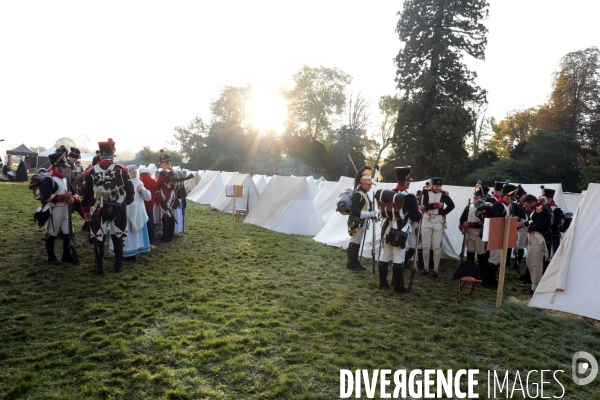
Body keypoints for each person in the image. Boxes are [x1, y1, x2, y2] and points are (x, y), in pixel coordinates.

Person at [81, 138, 134, 275]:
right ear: (113, 154)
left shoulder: (91, 171)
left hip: (97, 208)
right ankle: (118, 265)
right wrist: (123, 204)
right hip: (118, 207)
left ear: (101, 154)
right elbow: (130, 192)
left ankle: (99, 268)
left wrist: (86, 210)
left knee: (99, 237)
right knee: (118, 236)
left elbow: (84, 194)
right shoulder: (122, 170)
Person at [377, 166, 422, 292]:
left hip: (386, 229)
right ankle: (398, 287)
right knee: (398, 258)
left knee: (384, 256)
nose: (409, 183)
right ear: (406, 181)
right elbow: (415, 217)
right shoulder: (410, 197)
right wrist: (421, 210)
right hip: (400, 231)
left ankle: (383, 283)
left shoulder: (388, 194)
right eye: (409, 181)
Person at [39, 151, 79, 265]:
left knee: (69, 232)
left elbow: (75, 194)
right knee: (52, 234)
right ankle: (51, 257)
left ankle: (66, 255)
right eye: (63, 167)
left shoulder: (65, 180)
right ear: (56, 169)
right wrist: (62, 197)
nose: (66, 170)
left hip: (65, 210)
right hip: (54, 209)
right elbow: (45, 197)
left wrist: (73, 199)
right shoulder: (49, 180)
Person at [109, 165, 151, 260]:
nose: (135, 174)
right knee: (124, 234)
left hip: (136, 213)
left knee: (133, 236)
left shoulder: (139, 183)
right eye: (133, 173)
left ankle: (133, 253)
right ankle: (122, 254)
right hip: (124, 212)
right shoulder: (120, 183)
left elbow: (148, 197)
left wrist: (142, 190)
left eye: (136, 172)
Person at [484, 183, 519, 289]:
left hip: (500, 235)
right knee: (494, 259)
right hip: (495, 235)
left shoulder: (504, 206)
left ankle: (491, 280)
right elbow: (498, 223)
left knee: (496, 259)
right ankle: (488, 281)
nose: (512, 200)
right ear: (506, 196)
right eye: (511, 198)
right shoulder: (499, 206)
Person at [419, 177, 455, 278]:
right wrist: (434, 205)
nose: (438, 188)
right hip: (427, 218)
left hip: (438, 220)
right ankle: (425, 268)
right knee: (426, 245)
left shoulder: (444, 194)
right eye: (436, 186)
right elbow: (422, 206)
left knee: (436, 246)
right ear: (432, 185)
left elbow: (452, 205)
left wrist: (442, 212)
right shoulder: (425, 192)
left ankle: (435, 270)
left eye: (439, 186)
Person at [519, 194, 552, 294]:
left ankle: (537, 288)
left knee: (536, 264)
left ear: (532, 203)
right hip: (534, 237)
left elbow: (540, 226)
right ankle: (534, 286)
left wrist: (529, 226)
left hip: (539, 238)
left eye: (527, 206)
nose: (526, 208)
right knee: (530, 262)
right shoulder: (537, 209)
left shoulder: (541, 209)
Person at [346, 166, 377, 271]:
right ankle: (351, 263)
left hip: (361, 222)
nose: (370, 187)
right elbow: (355, 211)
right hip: (356, 222)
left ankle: (355, 262)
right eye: (369, 185)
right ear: (363, 183)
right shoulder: (357, 194)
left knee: (357, 242)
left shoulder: (364, 194)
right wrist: (370, 214)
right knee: (354, 241)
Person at [459, 182, 489, 277]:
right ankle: (470, 271)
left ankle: (481, 273)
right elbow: (462, 219)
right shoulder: (469, 206)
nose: (475, 197)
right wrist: (463, 228)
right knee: (470, 252)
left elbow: (485, 222)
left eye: (478, 195)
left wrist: (471, 224)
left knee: (480, 253)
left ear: (482, 197)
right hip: (469, 233)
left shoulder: (486, 207)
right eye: (475, 195)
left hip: (479, 234)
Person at [156, 150, 180, 242]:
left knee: (165, 216)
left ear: (164, 162)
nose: (160, 165)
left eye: (161, 163)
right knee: (170, 216)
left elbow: (158, 185)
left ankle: (165, 238)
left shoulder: (164, 172)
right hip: (173, 196)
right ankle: (170, 236)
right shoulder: (173, 170)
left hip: (165, 196)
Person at [540, 186, 563, 257]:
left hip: (553, 235)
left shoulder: (557, 210)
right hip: (544, 234)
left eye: (545, 199)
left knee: (552, 254)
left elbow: (555, 225)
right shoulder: (542, 208)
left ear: (550, 199)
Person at [139, 167, 157, 244]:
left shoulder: (139, 180)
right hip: (150, 203)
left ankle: (142, 239)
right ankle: (151, 237)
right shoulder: (153, 181)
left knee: (142, 221)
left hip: (142, 203)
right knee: (150, 220)